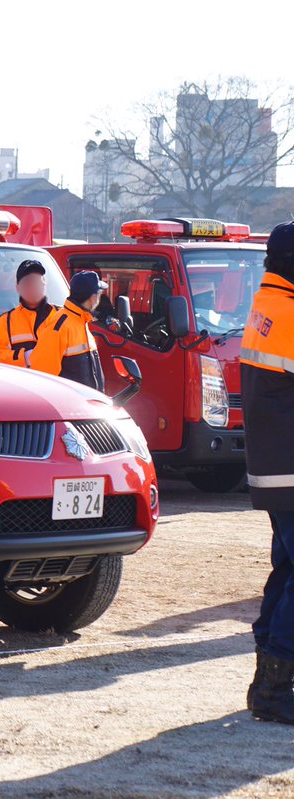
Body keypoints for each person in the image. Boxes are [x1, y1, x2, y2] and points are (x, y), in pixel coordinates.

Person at [242, 221, 294, 725]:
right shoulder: (291, 309)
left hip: (273, 469)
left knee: (287, 570)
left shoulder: (266, 305)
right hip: (292, 467)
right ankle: (275, 690)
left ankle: (267, 682)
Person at [30, 270, 107, 391]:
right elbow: (42, 379)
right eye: (99, 294)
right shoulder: (59, 326)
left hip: (85, 406)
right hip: (70, 408)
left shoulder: (80, 321)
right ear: (93, 298)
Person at [0, 259, 58, 367]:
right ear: (18, 288)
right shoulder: (4, 323)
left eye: (38, 281)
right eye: (28, 282)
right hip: (22, 383)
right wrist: (24, 357)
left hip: (57, 383)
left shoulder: (61, 316)